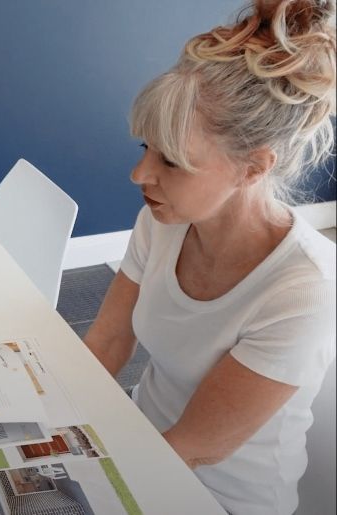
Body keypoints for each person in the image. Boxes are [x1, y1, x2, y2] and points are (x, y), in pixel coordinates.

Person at [83, 1, 335, 513]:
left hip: (214, 495)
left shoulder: (303, 292)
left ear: (252, 168)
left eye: (171, 160)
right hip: (143, 438)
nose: (140, 175)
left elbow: (192, 449)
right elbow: (108, 341)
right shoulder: (162, 221)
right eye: (144, 148)